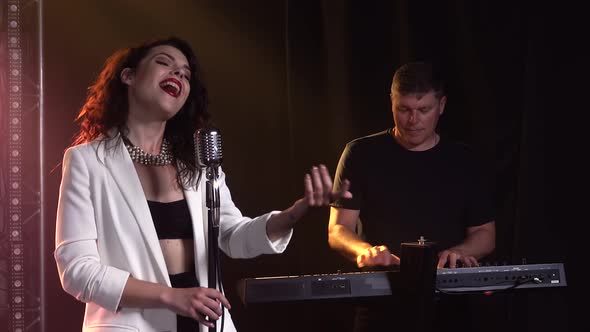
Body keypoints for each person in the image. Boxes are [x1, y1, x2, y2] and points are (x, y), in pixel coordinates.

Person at [54, 36, 351, 332]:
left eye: (185, 74)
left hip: (206, 323)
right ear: (128, 75)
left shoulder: (198, 166)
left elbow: (234, 235)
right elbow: (78, 271)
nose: (178, 75)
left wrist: (294, 214)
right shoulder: (88, 162)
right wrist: (170, 297)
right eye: (164, 63)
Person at [328, 61, 495, 331]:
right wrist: (366, 251)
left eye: (423, 110)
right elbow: (338, 229)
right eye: (403, 109)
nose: (412, 120)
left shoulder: (464, 160)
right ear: (391, 102)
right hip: (379, 304)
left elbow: (486, 233)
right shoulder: (360, 153)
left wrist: (458, 252)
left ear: (441, 106)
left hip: (450, 305)